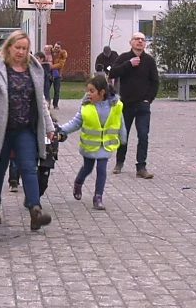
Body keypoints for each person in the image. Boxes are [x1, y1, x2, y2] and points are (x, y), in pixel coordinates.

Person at [0, 30, 55, 230]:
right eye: (17, 47)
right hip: (0, 129)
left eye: (25, 48)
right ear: (9, 47)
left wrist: (49, 126)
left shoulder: (34, 69)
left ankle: (35, 210)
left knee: (29, 168)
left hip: (25, 128)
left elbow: (40, 102)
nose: (21, 52)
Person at [58, 75, 127, 210]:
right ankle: (78, 183)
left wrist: (123, 137)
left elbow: (120, 122)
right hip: (90, 145)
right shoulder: (86, 106)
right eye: (88, 90)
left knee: (101, 169)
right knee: (87, 168)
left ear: (102, 92)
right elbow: (76, 122)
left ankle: (98, 197)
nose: (88, 94)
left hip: (105, 145)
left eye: (91, 91)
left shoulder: (115, 105)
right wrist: (61, 130)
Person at [108, 32, 159, 179]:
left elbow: (155, 82)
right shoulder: (124, 57)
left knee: (143, 135)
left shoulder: (149, 61)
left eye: (143, 40)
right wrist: (129, 65)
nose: (140, 42)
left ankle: (141, 167)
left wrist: (148, 99)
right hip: (126, 104)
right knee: (123, 135)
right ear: (131, 42)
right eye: (137, 39)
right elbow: (113, 73)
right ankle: (119, 162)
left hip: (143, 105)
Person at [50, 42, 68, 109]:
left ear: (60, 48)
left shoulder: (62, 55)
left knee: (56, 91)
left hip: (57, 75)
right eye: (55, 47)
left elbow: (60, 65)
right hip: (49, 74)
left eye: (58, 48)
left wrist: (51, 67)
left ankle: (55, 105)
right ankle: (46, 103)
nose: (56, 49)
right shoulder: (50, 52)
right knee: (46, 89)